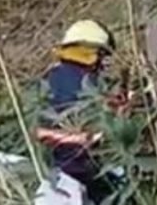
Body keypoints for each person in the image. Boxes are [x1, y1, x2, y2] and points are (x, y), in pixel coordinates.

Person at [38, 19, 119, 204]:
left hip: (54, 173)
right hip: (87, 172)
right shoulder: (93, 86)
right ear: (97, 54)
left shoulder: (49, 78)